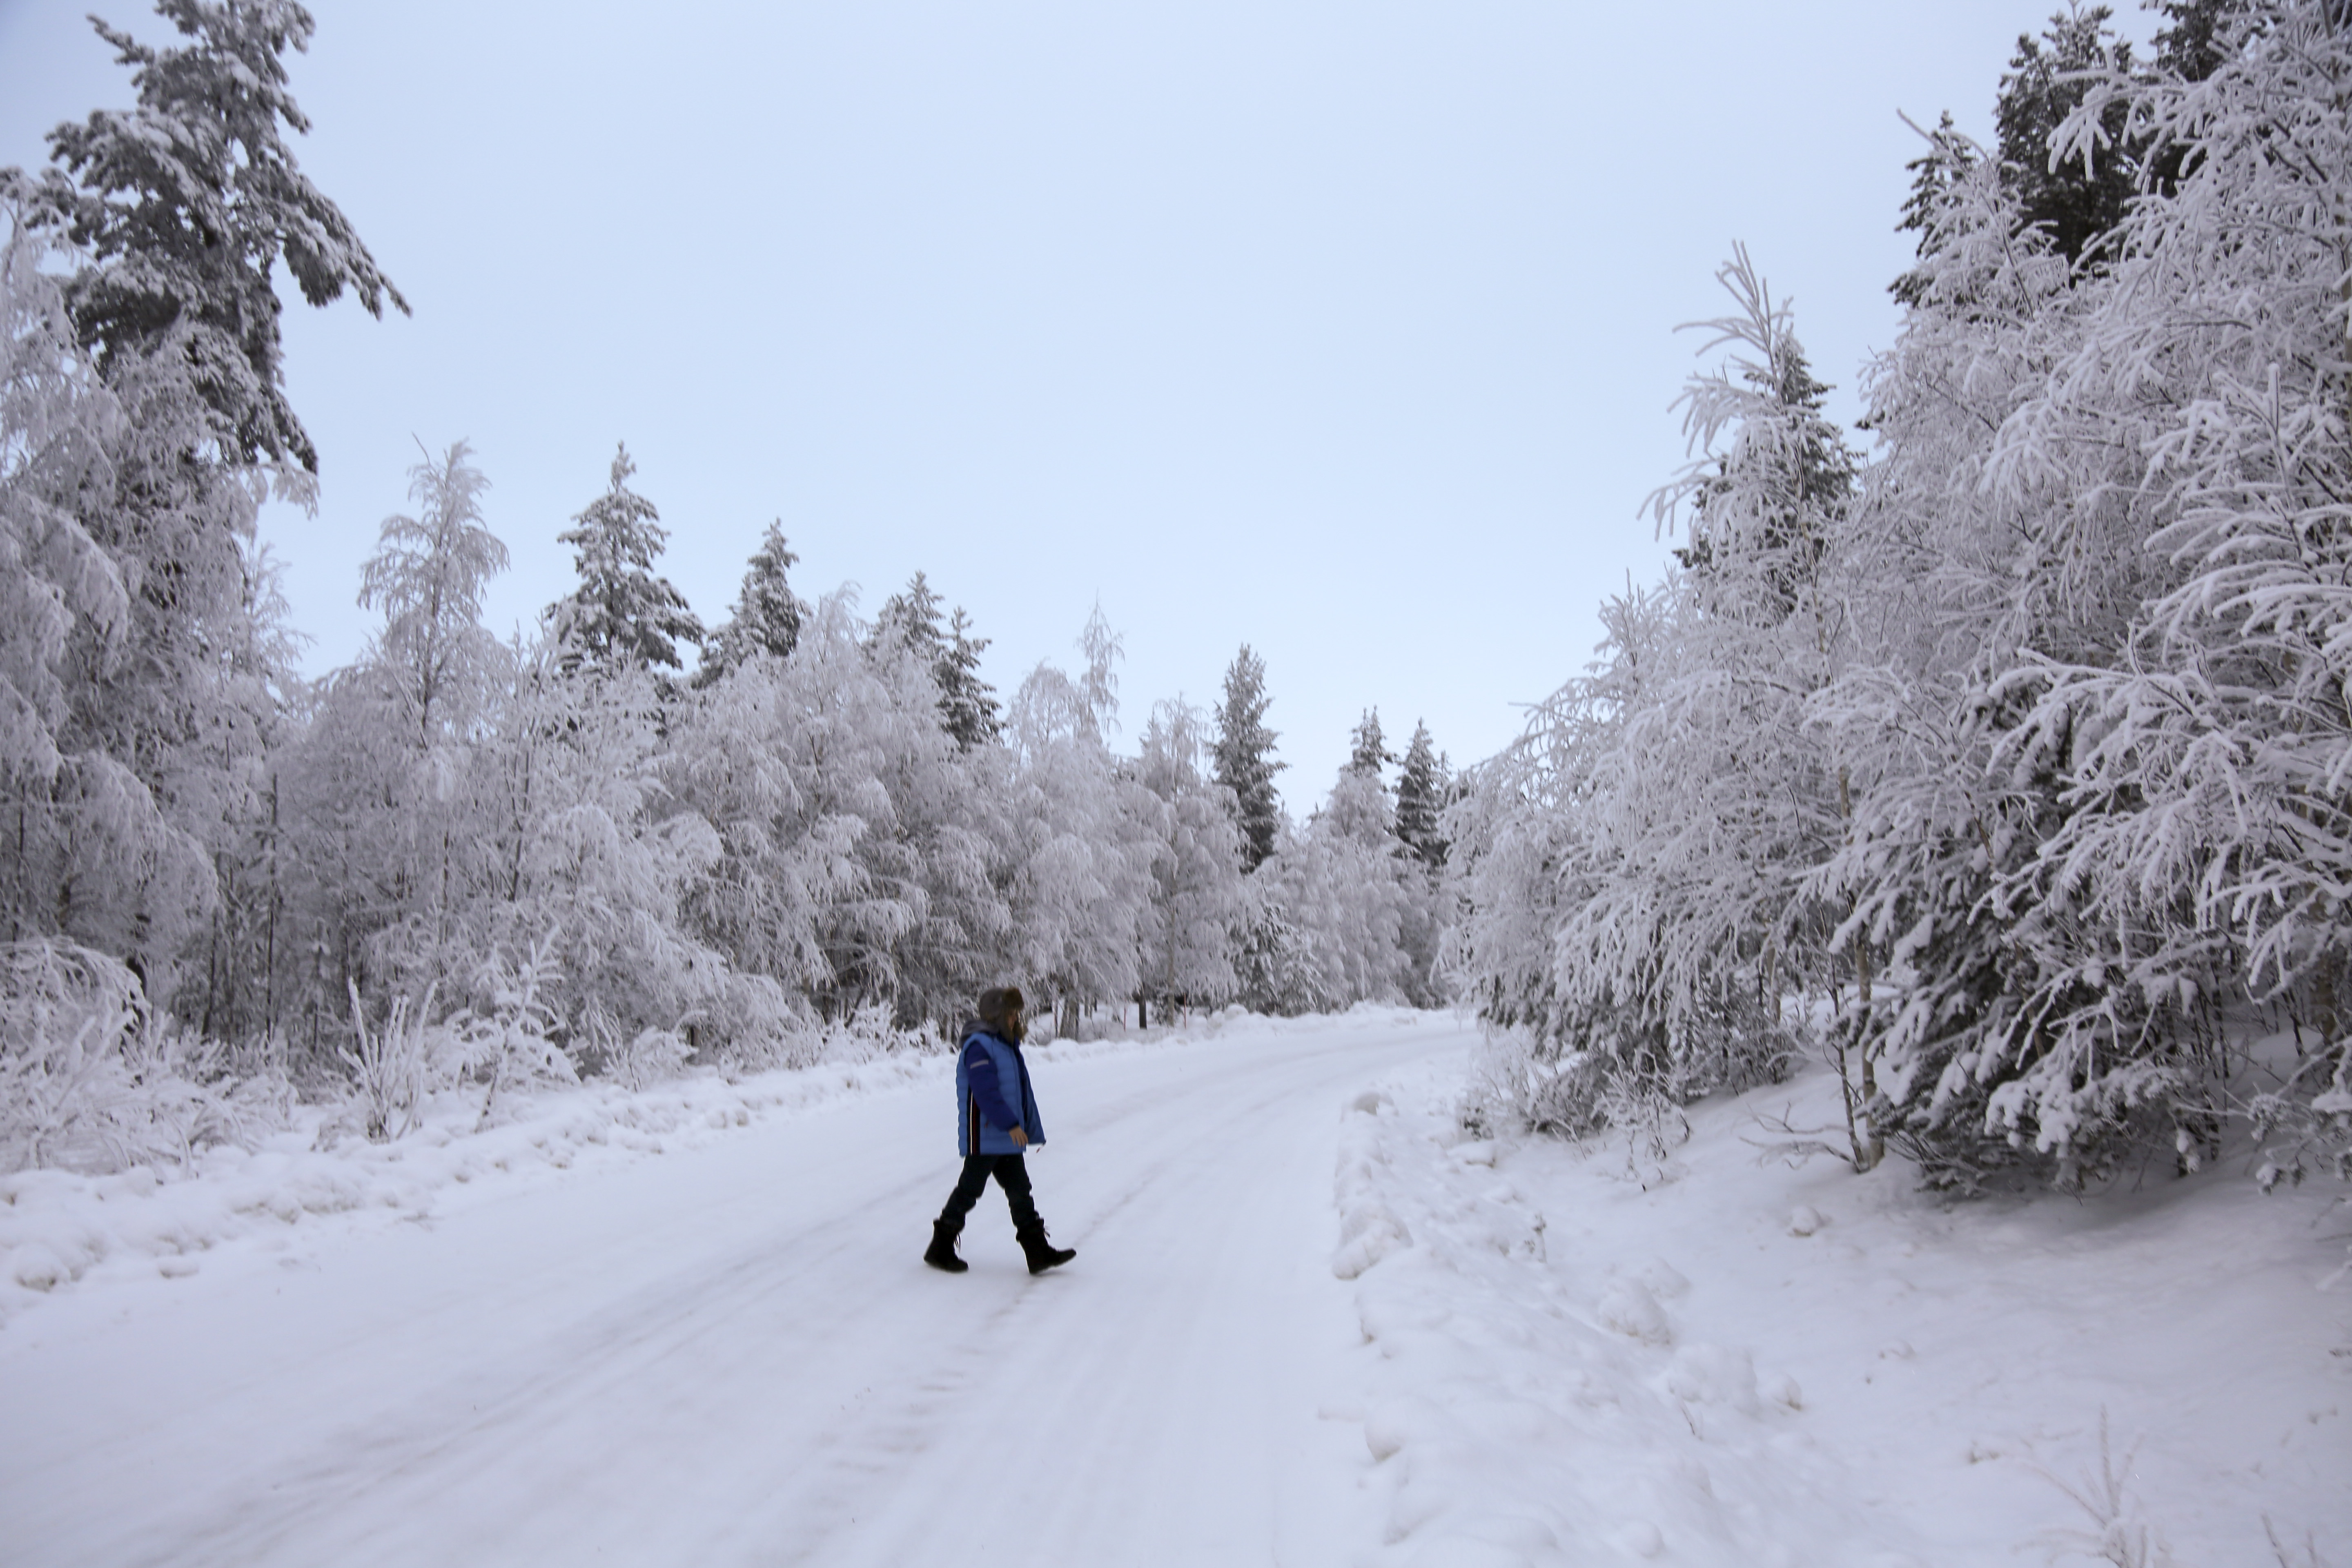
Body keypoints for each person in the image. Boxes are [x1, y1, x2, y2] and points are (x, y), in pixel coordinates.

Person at [924, 985, 1076, 1275]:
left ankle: (1037, 1253)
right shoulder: (979, 1045)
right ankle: (940, 1247)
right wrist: (1011, 1124)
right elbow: (986, 1093)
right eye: (1010, 1014)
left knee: (1020, 1191)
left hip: (1003, 1136)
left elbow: (1017, 1091)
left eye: (1016, 1014)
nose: (1014, 1020)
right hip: (987, 1135)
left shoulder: (1005, 1045)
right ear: (995, 1015)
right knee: (970, 1190)